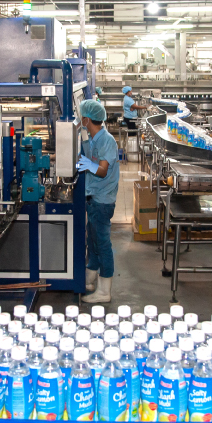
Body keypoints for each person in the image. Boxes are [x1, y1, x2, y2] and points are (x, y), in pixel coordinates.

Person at [76, 99, 121, 304]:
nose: (80, 120)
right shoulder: (93, 139)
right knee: (92, 240)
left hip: (103, 201)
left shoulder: (106, 141)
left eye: (81, 117)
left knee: (102, 244)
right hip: (94, 198)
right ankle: (90, 279)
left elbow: (102, 171)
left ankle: (105, 291)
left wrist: (89, 165)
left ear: (87, 119)